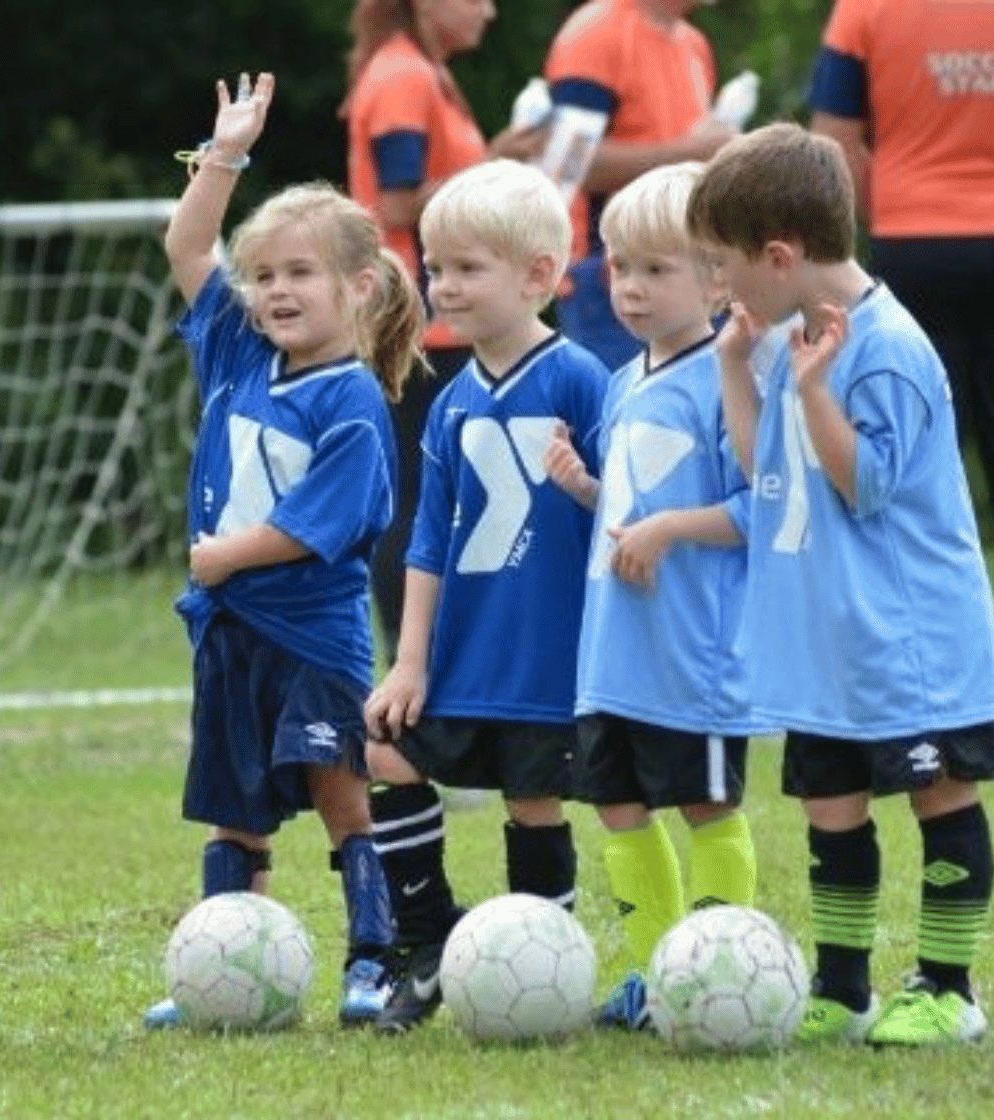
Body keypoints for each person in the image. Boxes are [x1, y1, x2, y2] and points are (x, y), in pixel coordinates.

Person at [688, 123, 994, 1046]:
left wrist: (817, 392)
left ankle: (949, 988)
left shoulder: (888, 349)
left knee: (939, 795)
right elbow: (764, 476)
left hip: (905, 640)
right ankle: (843, 986)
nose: (722, 286)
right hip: (824, 643)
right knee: (831, 808)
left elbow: (866, 486)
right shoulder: (788, 337)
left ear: (780, 256)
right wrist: (736, 372)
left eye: (726, 264)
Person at [144, 72, 426, 1030]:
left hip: (311, 639)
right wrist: (226, 154)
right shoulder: (235, 352)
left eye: (298, 274)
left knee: (342, 795)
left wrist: (223, 557)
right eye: (263, 276)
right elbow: (188, 244)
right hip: (229, 636)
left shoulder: (351, 401)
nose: (274, 292)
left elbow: (316, 524)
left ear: (356, 286)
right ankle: (230, 967)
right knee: (237, 813)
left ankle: (373, 959)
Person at [807, 0, 994, 730]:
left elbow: (832, 146)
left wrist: (901, 208)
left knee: (904, 464)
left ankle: (903, 670)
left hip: (915, 245)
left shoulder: (865, 11)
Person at [363, 158, 607, 1033]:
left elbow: (618, 508)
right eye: (435, 267)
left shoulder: (580, 380)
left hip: (543, 656)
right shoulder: (450, 402)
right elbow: (428, 540)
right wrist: (409, 661)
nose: (443, 285)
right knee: (385, 748)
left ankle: (550, 967)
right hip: (461, 652)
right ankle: (429, 945)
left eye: (468, 268)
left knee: (530, 802)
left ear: (540, 276)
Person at [541, 161, 758, 1030]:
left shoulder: (732, 378)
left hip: (691, 654)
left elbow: (758, 509)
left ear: (715, 277)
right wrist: (588, 492)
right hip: (611, 653)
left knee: (707, 804)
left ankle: (717, 969)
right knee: (619, 808)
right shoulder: (622, 382)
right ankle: (654, 970)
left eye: (654, 270)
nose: (628, 287)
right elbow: (630, 516)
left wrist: (669, 532)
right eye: (617, 266)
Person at [344, 0, 546, 665]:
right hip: (418, 329)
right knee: (416, 494)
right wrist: (494, 168)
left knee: (435, 491)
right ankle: (416, 661)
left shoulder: (419, 72)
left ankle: (431, 655)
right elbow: (398, 201)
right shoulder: (402, 75)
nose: (490, 10)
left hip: (432, 324)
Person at [542, 0, 735, 372]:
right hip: (611, 275)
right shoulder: (595, 34)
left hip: (691, 271)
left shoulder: (693, 43)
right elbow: (568, 168)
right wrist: (691, 154)